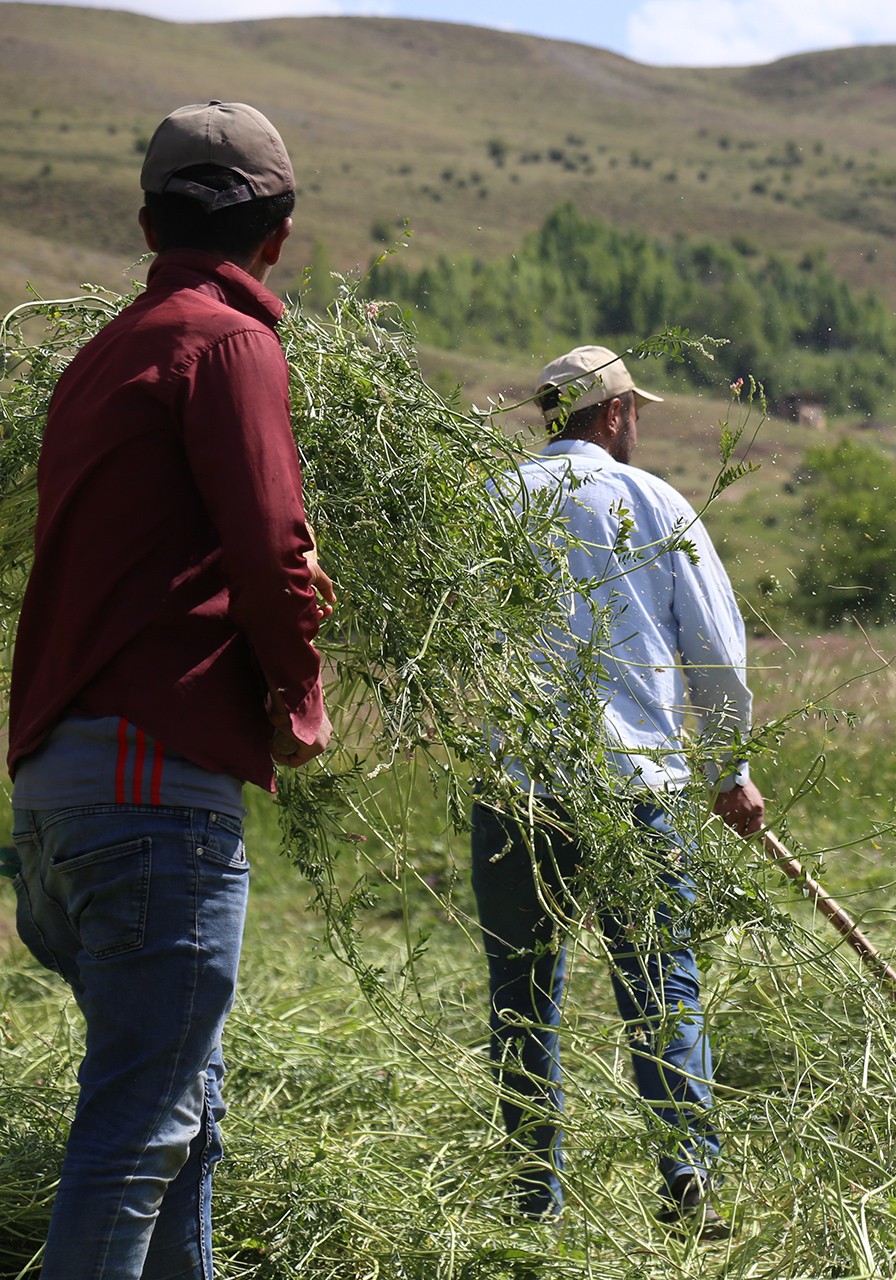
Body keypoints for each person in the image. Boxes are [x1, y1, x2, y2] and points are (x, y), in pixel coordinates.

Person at [6, 101, 334, 1279]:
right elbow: (274, 548)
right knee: (139, 1134)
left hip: (57, 805)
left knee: (185, 1121)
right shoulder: (230, 343)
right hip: (151, 803)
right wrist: (300, 694)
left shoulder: (102, 355)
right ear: (280, 234)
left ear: (149, 221)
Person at [473, 344, 765, 1236]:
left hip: (516, 786)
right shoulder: (652, 503)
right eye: (634, 409)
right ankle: (690, 1179)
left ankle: (532, 1200)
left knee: (522, 993)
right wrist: (730, 771)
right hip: (633, 783)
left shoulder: (489, 505)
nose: (637, 422)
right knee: (660, 981)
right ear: (613, 415)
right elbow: (714, 650)